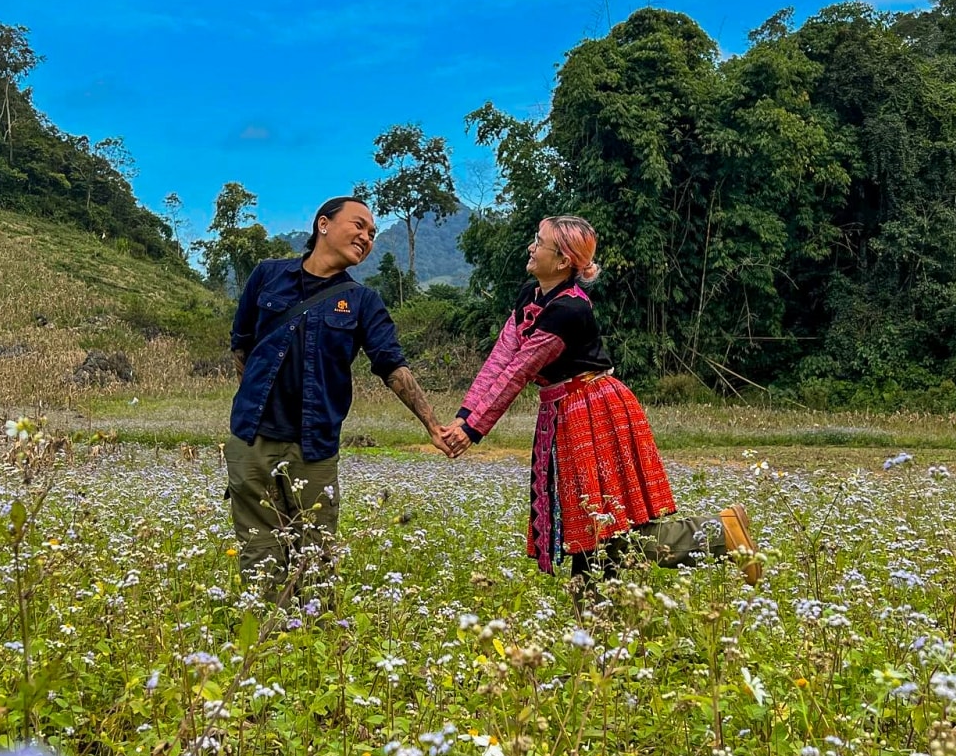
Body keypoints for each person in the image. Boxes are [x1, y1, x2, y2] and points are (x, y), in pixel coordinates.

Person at [440, 215, 761, 585]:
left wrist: (473, 430)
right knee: (595, 526)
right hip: (568, 412)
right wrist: (465, 417)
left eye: (538, 242)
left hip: (593, 409)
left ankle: (720, 534)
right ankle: (599, 624)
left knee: (607, 525)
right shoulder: (531, 295)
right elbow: (501, 357)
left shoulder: (569, 311)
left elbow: (518, 371)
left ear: (562, 260)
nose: (531, 247)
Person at [226, 195, 450, 583]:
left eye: (372, 233)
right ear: (323, 225)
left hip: (314, 447)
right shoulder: (266, 275)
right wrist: (257, 399)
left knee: (315, 559)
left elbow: (393, 367)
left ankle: (314, 636)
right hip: (252, 440)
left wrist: (432, 425)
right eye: (359, 225)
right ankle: (265, 638)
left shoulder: (363, 302)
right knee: (259, 557)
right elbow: (241, 344)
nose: (367, 237)